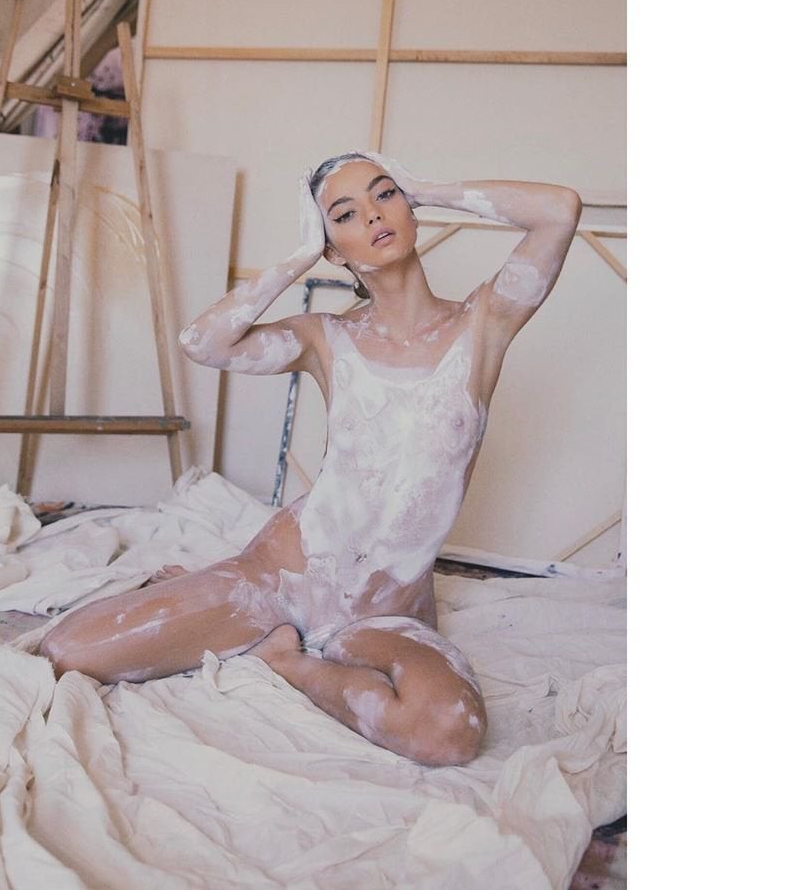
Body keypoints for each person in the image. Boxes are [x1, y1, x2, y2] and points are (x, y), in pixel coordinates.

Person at [38, 152, 582, 768]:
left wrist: (426, 188)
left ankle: (285, 663)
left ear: (409, 209)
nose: (373, 216)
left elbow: (559, 210)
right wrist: (301, 254)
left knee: (445, 735)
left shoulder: (483, 324)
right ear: (333, 248)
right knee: (68, 651)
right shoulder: (327, 337)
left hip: (385, 610)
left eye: (385, 196)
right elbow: (202, 343)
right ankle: (223, 597)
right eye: (345, 215)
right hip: (282, 578)